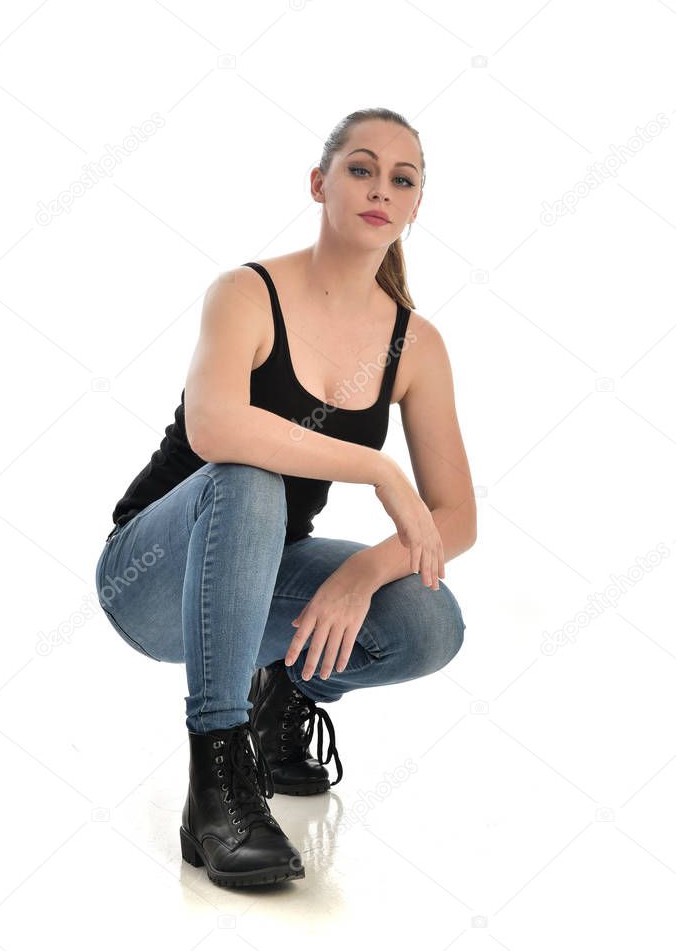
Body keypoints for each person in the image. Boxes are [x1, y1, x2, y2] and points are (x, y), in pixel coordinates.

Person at [94, 107, 476, 888]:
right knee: (247, 472)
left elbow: (456, 519)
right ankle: (218, 781)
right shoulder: (246, 292)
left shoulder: (415, 343)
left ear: (414, 206)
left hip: (264, 574)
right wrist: (379, 471)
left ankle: (280, 693)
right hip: (153, 574)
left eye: (402, 179)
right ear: (319, 183)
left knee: (427, 620)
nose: (380, 188)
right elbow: (214, 429)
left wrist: (362, 571)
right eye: (360, 168)